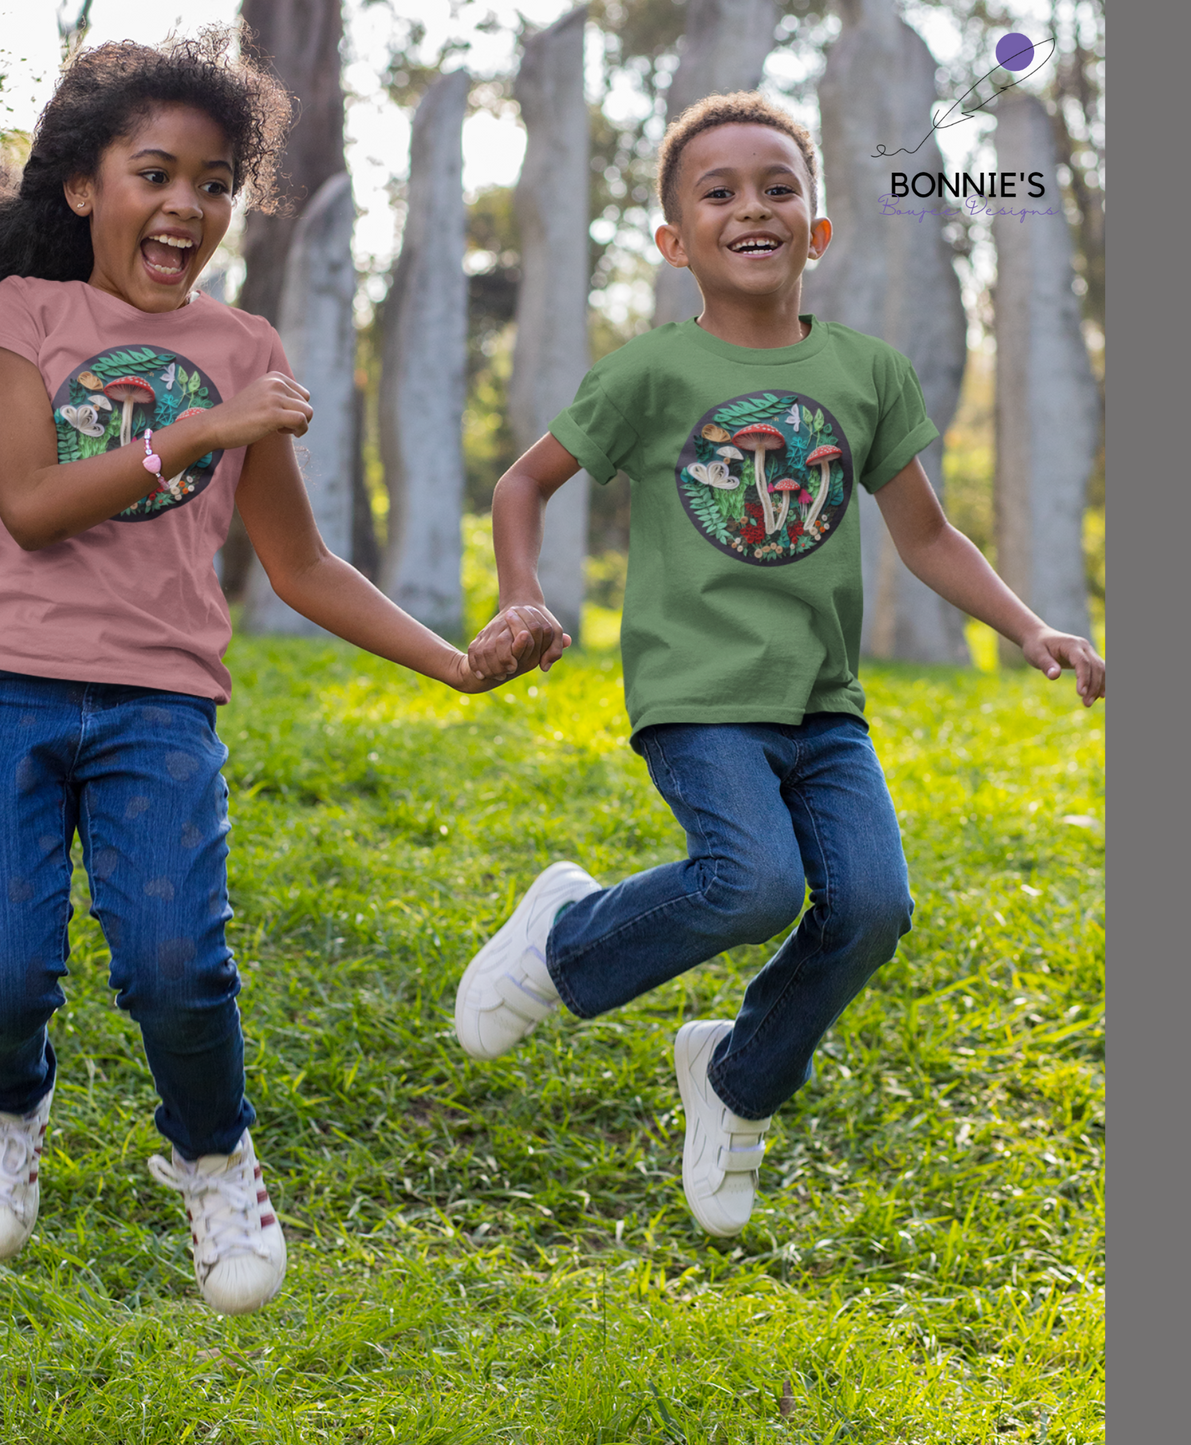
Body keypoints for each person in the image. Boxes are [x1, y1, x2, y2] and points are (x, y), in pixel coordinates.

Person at [0, 30, 528, 1317]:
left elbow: (302, 564)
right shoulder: (21, 317)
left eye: (213, 183)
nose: (187, 206)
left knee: (172, 963)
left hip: (160, 702)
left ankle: (214, 1157)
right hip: (4, 688)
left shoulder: (244, 342)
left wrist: (451, 661)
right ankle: (4, 1105)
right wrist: (197, 424)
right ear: (85, 186)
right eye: (155, 172)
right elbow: (34, 504)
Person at [455, 93, 1105, 1239]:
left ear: (816, 228)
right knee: (751, 883)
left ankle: (735, 1075)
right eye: (717, 192)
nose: (750, 205)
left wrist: (1027, 625)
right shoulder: (648, 374)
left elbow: (926, 535)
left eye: (776, 187)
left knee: (870, 906)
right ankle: (561, 938)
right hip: (697, 697)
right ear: (673, 241)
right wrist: (521, 595)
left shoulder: (865, 373)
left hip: (821, 705)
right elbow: (522, 483)